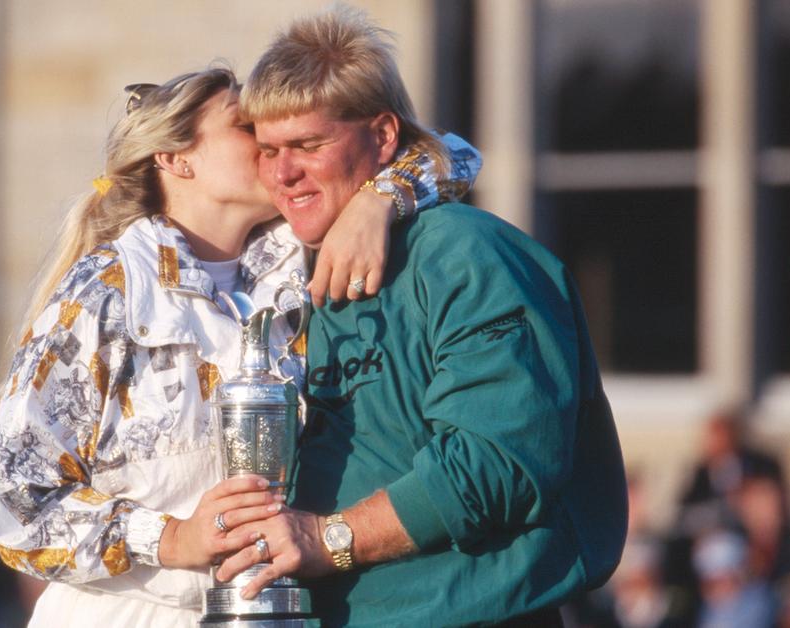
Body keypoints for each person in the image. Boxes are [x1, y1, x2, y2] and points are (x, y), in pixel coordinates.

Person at [0, 66, 478, 626]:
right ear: (175, 158)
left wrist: (376, 202)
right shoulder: (106, 289)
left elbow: (457, 155)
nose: (272, 147)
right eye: (247, 127)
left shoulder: (299, 255)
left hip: (269, 612)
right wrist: (172, 538)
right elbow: (18, 502)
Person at [214, 7, 628, 626]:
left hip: (468, 612)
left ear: (382, 137)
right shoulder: (280, 269)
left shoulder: (467, 254)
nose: (283, 173)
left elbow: (498, 465)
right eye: (268, 150)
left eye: (309, 144)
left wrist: (328, 539)